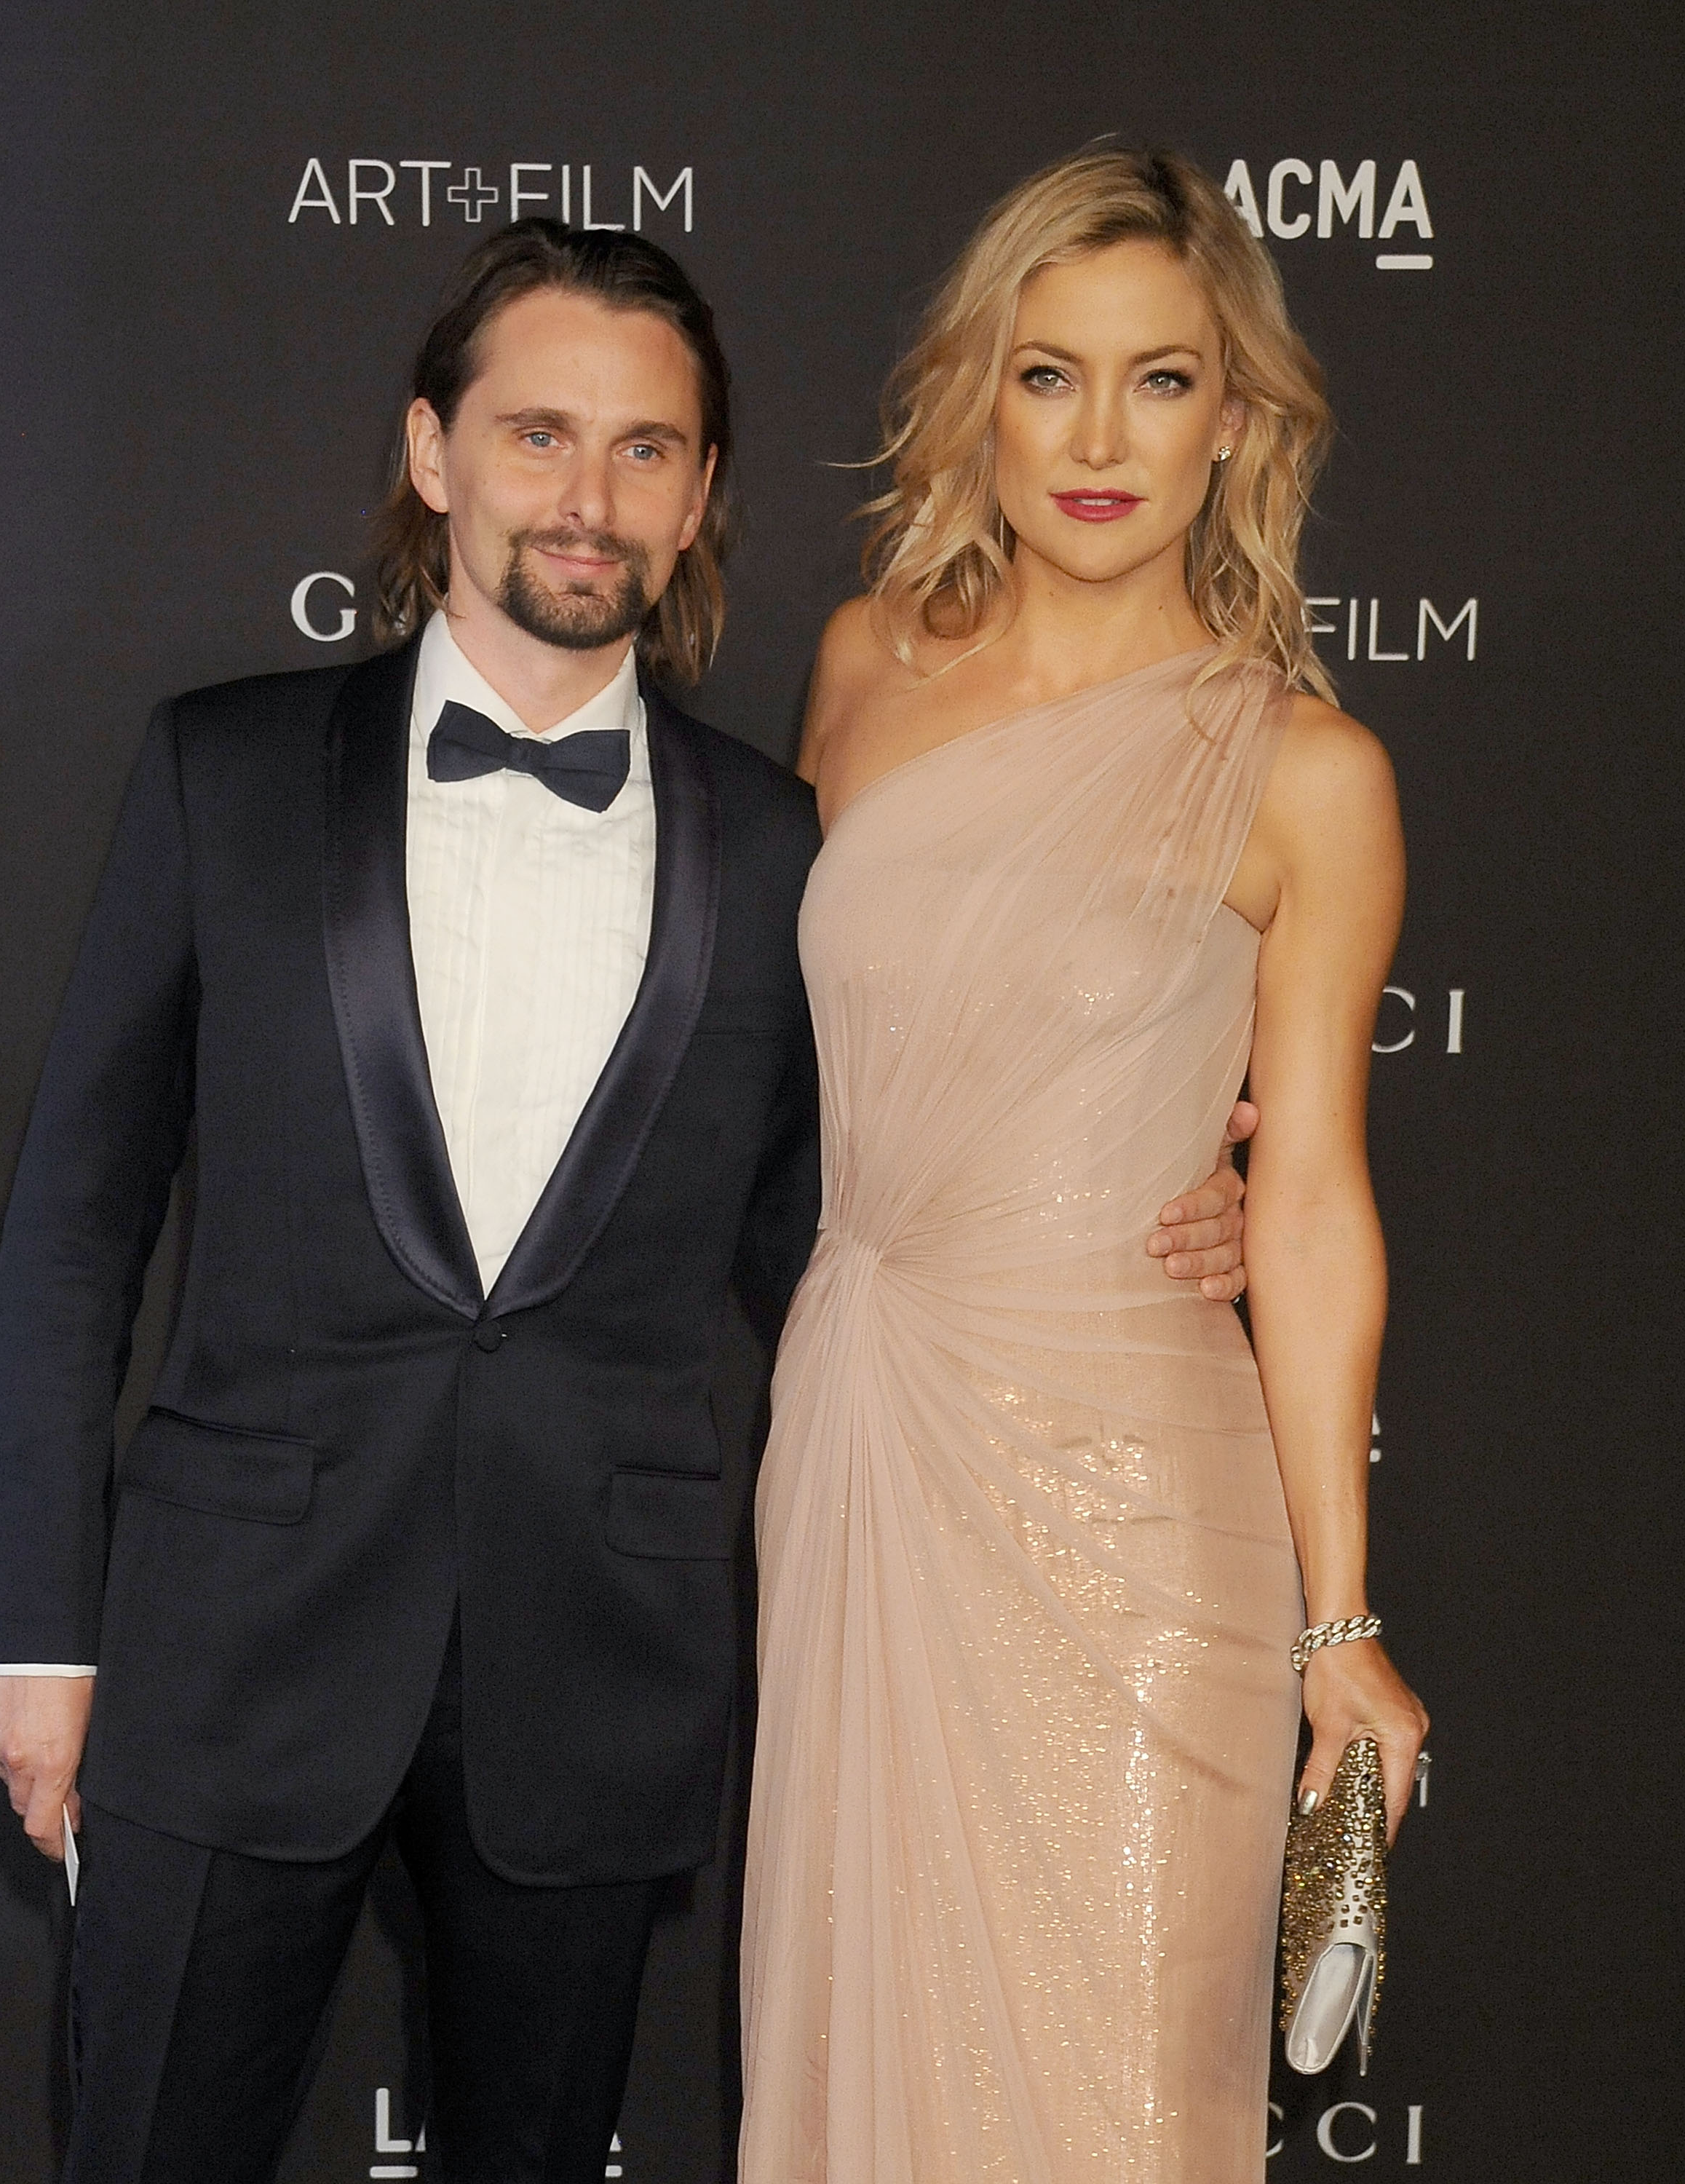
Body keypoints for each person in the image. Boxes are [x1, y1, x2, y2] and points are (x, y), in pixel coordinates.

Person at [0, 218, 1248, 2184]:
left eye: (646, 448)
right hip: (232, 1652)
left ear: (703, 490)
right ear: (433, 452)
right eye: (540, 434)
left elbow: (867, 1210)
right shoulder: (221, 773)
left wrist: (1147, 1211)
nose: (589, 496)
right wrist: (39, 1635)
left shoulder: (780, 842)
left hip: (596, 1663)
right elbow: (74, 1223)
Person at [740, 149, 1430, 2184]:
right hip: (863, 1435)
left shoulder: (1306, 768)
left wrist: (1342, 1626)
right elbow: (802, 1067)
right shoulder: (865, 666)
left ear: (1238, 417)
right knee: (863, 2053)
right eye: (1050, 376)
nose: (1100, 438)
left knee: (1119, 2108)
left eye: (1159, 381)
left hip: (1136, 1506)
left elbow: (1302, 1198)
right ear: (980, 395)